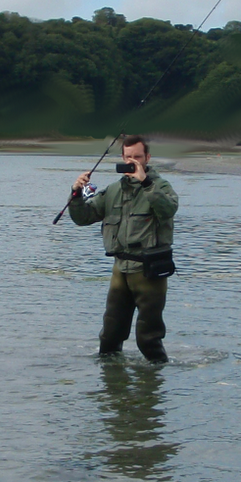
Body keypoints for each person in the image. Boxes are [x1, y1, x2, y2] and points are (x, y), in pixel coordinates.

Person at [68, 135, 179, 362]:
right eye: (128, 157)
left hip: (149, 271)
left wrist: (145, 182)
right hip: (120, 269)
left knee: (147, 338)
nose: (132, 162)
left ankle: (154, 386)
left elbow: (168, 209)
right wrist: (76, 193)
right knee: (109, 337)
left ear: (147, 157)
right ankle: (113, 391)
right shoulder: (113, 191)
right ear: (122, 157)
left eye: (137, 157)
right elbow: (83, 217)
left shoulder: (160, 186)